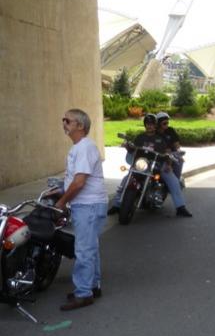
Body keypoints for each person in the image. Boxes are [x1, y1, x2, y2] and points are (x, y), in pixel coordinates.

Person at [54, 109, 107, 311]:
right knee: (90, 247)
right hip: (89, 205)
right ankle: (92, 286)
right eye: (63, 120)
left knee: (84, 250)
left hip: (88, 206)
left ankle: (83, 294)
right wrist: (61, 188)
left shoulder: (84, 147)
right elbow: (75, 179)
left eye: (67, 120)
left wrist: (61, 202)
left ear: (80, 125)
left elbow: (79, 182)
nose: (64, 123)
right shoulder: (81, 147)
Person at [108, 114, 193, 217]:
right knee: (126, 180)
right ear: (145, 125)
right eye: (148, 124)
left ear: (155, 125)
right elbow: (133, 149)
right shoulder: (140, 137)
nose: (150, 126)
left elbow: (167, 152)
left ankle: (181, 207)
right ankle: (117, 205)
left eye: (152, 124)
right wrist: (127, 147)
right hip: (142, 164)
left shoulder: (160, 139)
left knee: (173, 180)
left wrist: (169, 163)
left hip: (157, 164)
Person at [156, 111, 183, 179]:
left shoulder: (170, 130)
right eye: (164, 123)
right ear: (158, 123)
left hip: (171, 153)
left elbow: (176, 144)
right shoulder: (154, 132)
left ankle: (177, 179)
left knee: (179, 159)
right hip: (158, 154)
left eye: (167, 123)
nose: (167, 125)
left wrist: (179, 151)